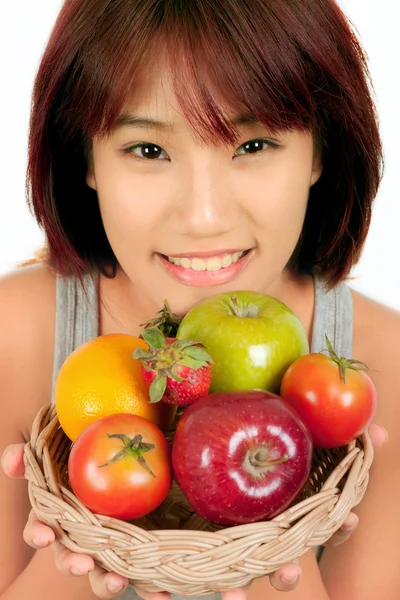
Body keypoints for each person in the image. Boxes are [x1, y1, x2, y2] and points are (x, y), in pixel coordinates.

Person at [0, 0, 398, 598]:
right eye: (148, 150)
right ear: (86, 159)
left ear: (320, 151)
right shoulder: (17, 332)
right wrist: (81, 545)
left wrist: (273, 547)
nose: (203, 218)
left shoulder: (376, 369)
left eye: (255, 145)